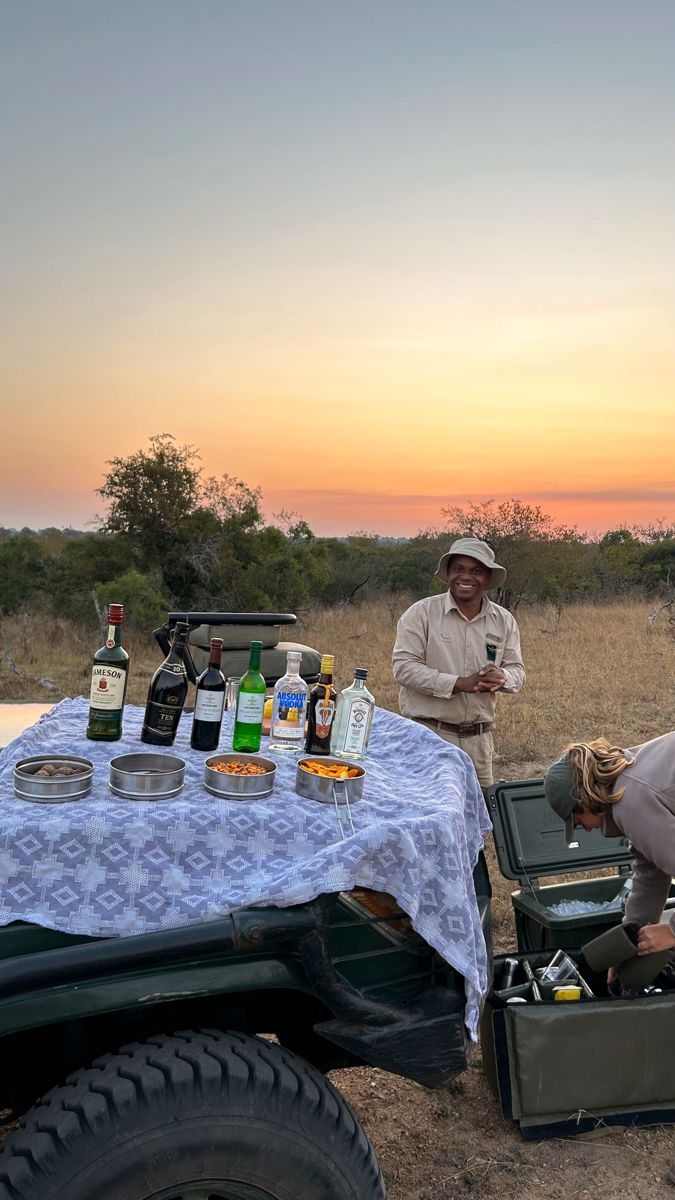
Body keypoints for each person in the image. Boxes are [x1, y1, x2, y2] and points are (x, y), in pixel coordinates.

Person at [392, 537, 525, 790]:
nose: (466, 577)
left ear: (487, 577)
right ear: (449, 574)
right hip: (428, 735)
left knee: (481, 820)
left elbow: (517, 671)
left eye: (476, 571)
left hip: (479, 741)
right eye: (459, 569)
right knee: (429, 813)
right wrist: (459, 684)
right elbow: (404, 668)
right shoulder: (421, 613)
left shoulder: (503, 620)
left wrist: (502, 678)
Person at [544, 733, 675, 958]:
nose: (584, 828)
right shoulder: (629, 779)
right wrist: (625, 947)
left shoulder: (632, 803)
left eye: (576, 821)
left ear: (583, 801)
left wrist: (671, 932)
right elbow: (651, 874)